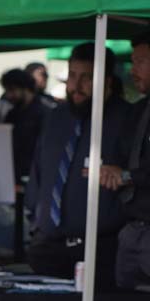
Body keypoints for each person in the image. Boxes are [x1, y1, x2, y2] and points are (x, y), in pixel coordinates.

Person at [25, 43, 130, 285]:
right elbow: (38, 172)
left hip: (101, 251)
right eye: (72, 76)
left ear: (107, 81)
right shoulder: (55, 117)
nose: (76, 85)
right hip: (48, 248)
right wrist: (36, 222)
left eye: (87, 77)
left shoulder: (127, 120)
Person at [114, 32, 150, 289]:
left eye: (141, 61)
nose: (133, 69)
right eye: (133, 61)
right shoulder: (137, 110)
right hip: (131, 228)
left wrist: (126, 176)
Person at [0, 69, 50, 185]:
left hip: (33, 177)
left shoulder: (42, 113)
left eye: (12, 90)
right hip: (12, 176)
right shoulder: (12, 114)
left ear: (25, 88)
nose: (9, 95)